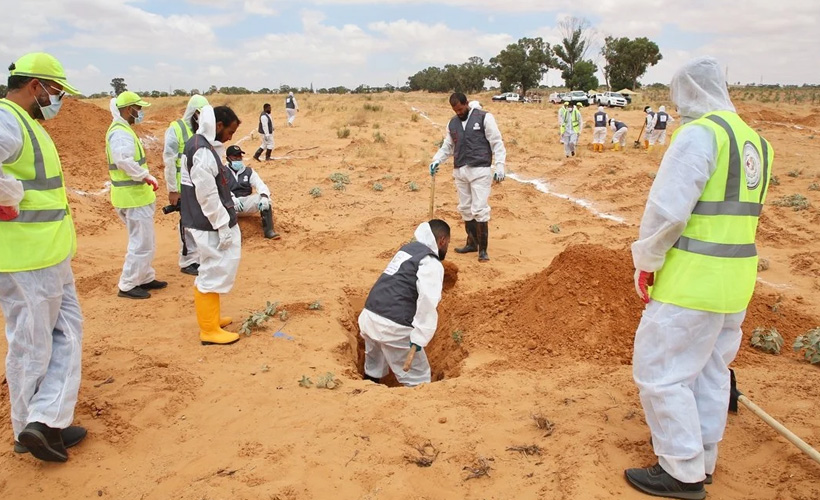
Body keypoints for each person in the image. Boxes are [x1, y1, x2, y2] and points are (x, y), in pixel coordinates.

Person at [626, 56, 774, 500]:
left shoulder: (699, 135)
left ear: (689, 91)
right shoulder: (756, 142)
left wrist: (647, 261)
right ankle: (703, 460)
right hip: (736, 282)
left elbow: (668, 212)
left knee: (660, 373)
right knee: (711, 371)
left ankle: (680, 470)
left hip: (692, 281)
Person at [0, 52, 87, 463]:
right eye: (55, 91)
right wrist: (6, 195)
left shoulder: (26, 123)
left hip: (48, 253)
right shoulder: (8, 119)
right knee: (32, 344)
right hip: (26, 257)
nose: (58, 100)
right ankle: (29, 427)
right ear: (35, 86)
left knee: (66, 333)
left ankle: (46, 417)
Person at [358, 220, 450, 387]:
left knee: (374, 363)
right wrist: (419, 337)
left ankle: (367, 390)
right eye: (448, 243)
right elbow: (427, 301)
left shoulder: (406, 250)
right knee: (418, 377)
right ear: (442, 240)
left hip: (368, 317)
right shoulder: (431, 262)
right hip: (393, 328)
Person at [180, 105, 243, 346]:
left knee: (215, 268)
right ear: (218, 126)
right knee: (212, 270)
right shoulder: (202, 151)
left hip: (206, 221)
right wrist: (222, 225)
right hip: (208, 223)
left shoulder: (199, 145)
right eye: (230, 131)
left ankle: (213, 319)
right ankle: (208, 330)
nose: (230, 137)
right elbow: (207, 195)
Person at [429, 92, 506, 262]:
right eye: (455, 110)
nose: (458, 113)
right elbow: (448, 146)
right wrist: (436, 160)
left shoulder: (484, 117)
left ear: (467, 103)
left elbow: (496, 142)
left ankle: (483, 250)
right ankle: (472, 243)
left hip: (480, 170)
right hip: (460, 171)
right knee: (465, 208)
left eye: (460, 109)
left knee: (479, 209)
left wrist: (500, 165)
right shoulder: (452, 123)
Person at [106, 91, 166, 299]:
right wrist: (144, 175)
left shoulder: (123, 129)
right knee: (140, 243)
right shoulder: (120, 133)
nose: (140, 113)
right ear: (128, 109)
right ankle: (129, 284)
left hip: (135, 197)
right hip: (132, 198)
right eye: (138, 109)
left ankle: (144, 277)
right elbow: (123, 159)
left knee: (146, 241)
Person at [162, 94, 209, 276]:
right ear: (194, 112)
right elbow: (169, 160)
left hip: (198, 186)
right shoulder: (176, 129)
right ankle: (188, 260)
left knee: (199, 222)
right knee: (187, 224)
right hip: (183, 187)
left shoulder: (202, 130)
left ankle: (198, 257)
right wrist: (173, 190)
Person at [225, 144, 280, 239]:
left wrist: (264, 197)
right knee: (218, 201)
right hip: (230, 204)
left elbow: (260, 184)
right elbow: (220, 188)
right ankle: (228, 234)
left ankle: (269, 231)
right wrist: (231, 198)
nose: (238, 159)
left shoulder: (249, 171)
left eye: (239, 157)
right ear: (228, 159)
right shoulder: (222, 171)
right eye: (235, 157)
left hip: (244, 204)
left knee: (265, 200)